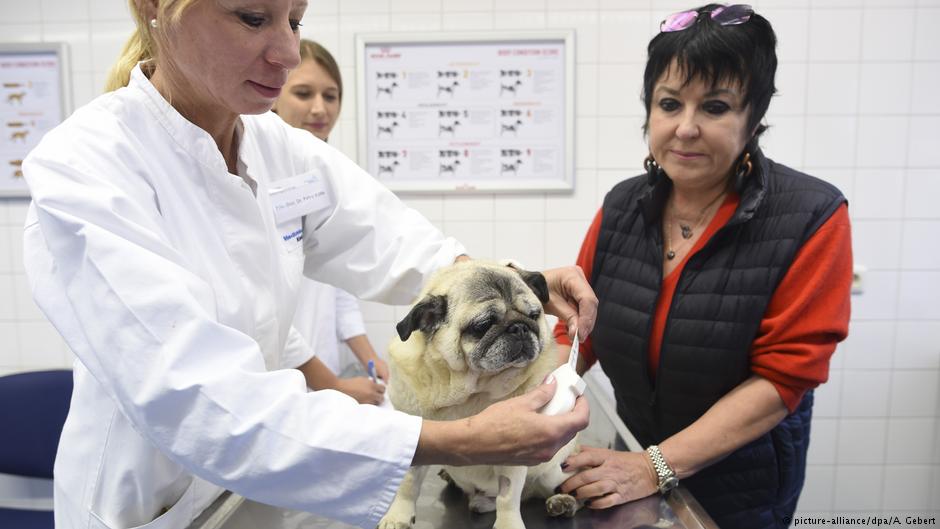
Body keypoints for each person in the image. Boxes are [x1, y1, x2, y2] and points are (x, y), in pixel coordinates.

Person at [20, 1, 596, 528]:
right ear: (153, 10)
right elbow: (200, 398)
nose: (288, 53)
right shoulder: (86, 167)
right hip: (154, 509)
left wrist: (522, 284)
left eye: (294, 21)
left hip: (266, 493)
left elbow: (393, 239)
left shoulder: (276, 149)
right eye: (252, 18)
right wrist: (458, 438)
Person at [553, 5, 851, 529]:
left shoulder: (812, 215)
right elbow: (577, 334)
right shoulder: (623, 205)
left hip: (741, 489)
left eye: (715, 107)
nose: (685, 128)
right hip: (629, 470)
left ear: (754, 117)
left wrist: (654, 465)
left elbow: (783, 379)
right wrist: (513, 416)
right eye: (669, 104)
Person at [272, 39, 387, 405]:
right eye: (303, 94)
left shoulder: (322, 178)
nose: (320, 108)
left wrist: (368, 356)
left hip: (322, 377)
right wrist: (331, 385)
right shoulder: (252, 178)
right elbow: (265, 311)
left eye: (331, 95)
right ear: (274, 95)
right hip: (280, 378)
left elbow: (339, 286)